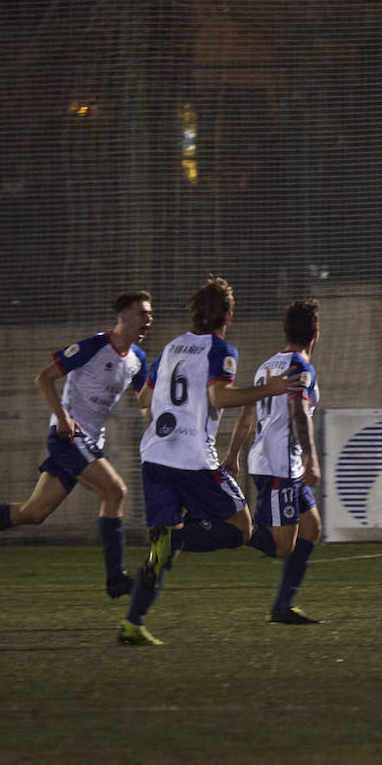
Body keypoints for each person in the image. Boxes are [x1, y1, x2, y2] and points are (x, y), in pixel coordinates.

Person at [0, 291, 154, 598]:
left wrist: (162, 415)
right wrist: (62, 417)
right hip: (69, 438)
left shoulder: (137, 358)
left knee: (33, 513)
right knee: (116, 491)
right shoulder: (93, 347)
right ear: (123, 316)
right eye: (142, 313)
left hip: (88, 441)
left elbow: (145, 402)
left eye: (150, 314)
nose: (148, 320)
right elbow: (43, 379)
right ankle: (116, 578)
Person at [118, 277, 304, 646]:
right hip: (194, 460)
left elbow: (144, 401)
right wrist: (270, 388)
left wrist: (169, 417)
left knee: (162, 550)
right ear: (228, 315)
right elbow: (219, 397)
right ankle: (179, 537)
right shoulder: (221, 350)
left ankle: (132, 623)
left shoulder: (171, 347)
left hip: (154, 456)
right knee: (241, 527)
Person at [224, 298, 323, 625]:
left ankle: (283, 605)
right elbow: (299, 412)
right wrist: (311, 457)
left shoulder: (266, 366)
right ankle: (231, 525)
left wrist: (233, 454)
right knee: (282, 547)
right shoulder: (300, 367)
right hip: (280, 466)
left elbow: (247, 414)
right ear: (316, 334)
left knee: (311, 528)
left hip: (277, 462)